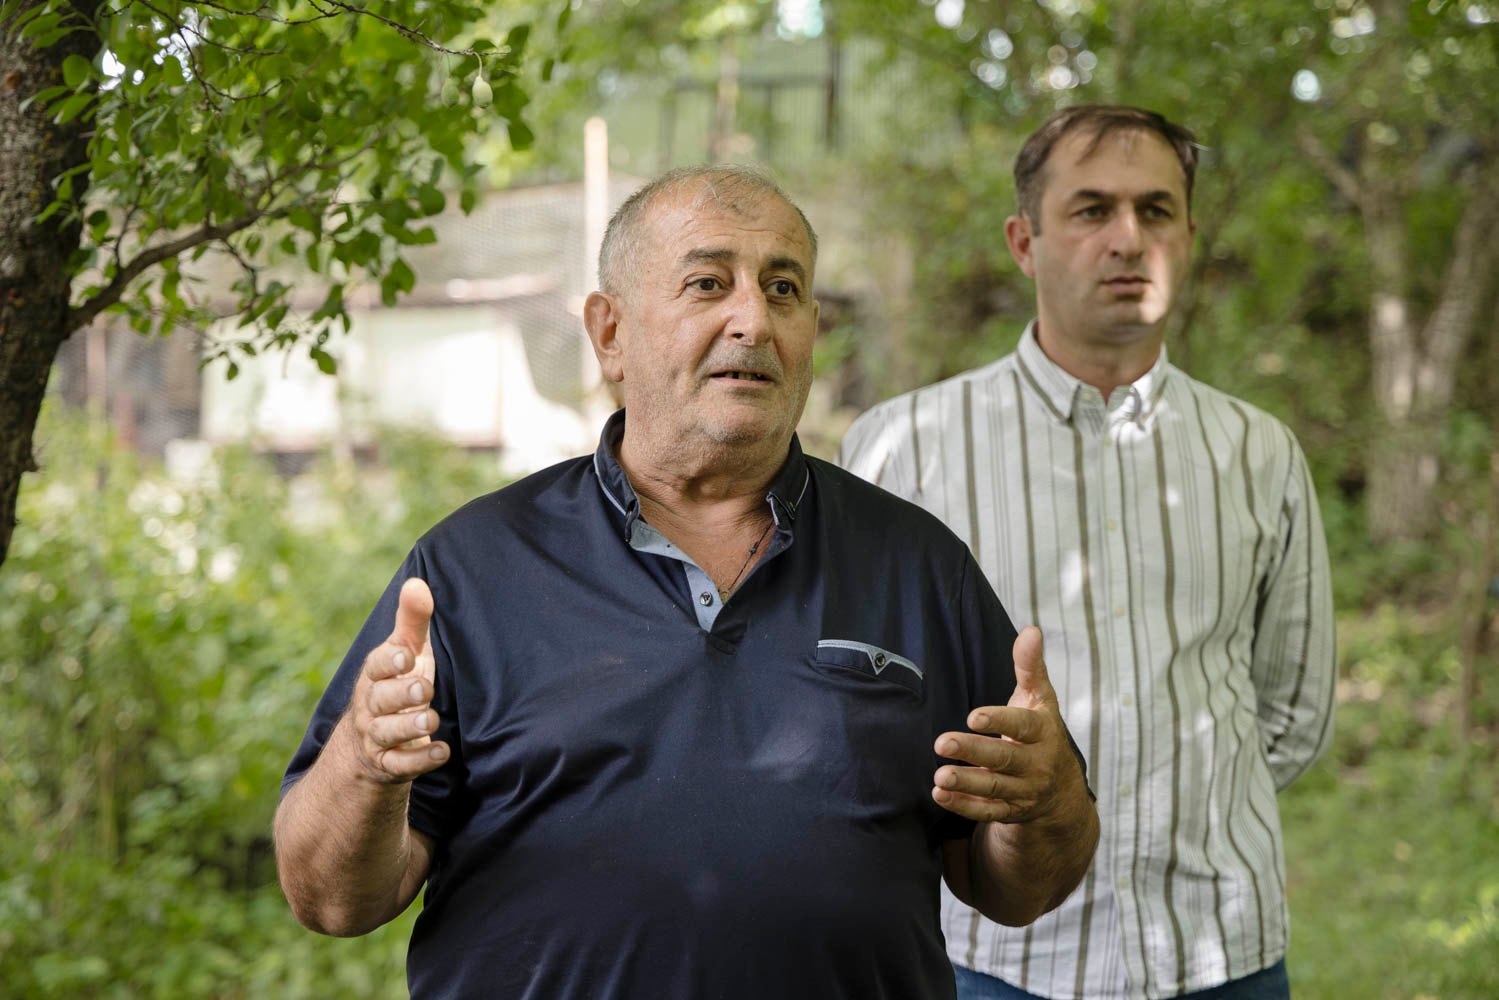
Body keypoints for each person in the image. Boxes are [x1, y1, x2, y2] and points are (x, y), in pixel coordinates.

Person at [274, 165, 1099, 999]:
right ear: (610, 333)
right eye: (707, 283)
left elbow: (1016, 890)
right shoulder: (473, 565)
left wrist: (1049, 799)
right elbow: (330, 900)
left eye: (783, 289)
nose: (753, 320)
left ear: (812, 329)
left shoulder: (916, 566)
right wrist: (365, 764)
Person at [838, 106, 1335, 1000]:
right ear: (1023, 242)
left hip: (1221, 954)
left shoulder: (1258, 452)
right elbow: (861, 712)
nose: (1127, 238)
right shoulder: (902, 449)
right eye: (1091, 209)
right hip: (994, 960)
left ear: (1187, 237)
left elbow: (1290, 711)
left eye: (1155, 210)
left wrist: (1188, 801)